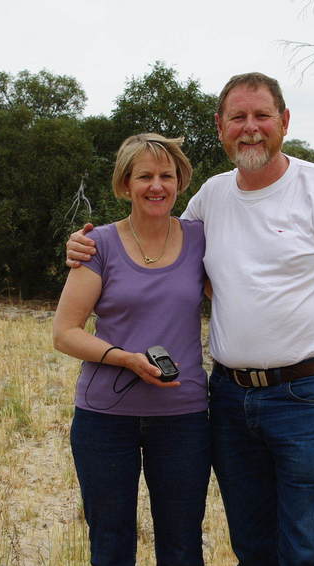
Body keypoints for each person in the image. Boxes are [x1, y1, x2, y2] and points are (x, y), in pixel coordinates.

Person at [67, 73, 314, 566]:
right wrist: (86, 247)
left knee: (310, 546)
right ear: (220, 127)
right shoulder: (210, 200)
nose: (250, 128)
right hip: (229, 399)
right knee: (252, 543)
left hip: (305, 396)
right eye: (238, 117)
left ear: (284, 121)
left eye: (262, 116)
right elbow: (158, 243)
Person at [52, 133, 210, 566]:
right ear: (125, 184)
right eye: (144, 176)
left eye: (166, 175)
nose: (156, 186)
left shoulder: (200, 239)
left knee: (181, 544)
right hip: (105, 418)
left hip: (183, 418)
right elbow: (66, 332)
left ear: (180, 182)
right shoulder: (97, 244)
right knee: (111, 541)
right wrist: (125, 358)